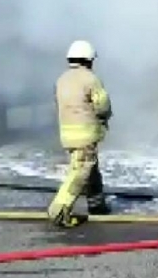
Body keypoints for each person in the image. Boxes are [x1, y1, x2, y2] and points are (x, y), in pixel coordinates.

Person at [48, 40, 114, 228]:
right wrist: (105, 117)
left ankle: (97, 205)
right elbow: (102, 106)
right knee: (80, 172)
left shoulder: (62, 80)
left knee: (90, 170)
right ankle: (59, 209)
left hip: (67, 134)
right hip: (86, 134)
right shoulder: (90, 79)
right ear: (89, 60)